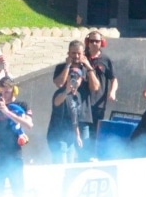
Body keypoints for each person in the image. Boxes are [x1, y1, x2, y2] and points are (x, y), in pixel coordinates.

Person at [0, 76, 33, 197]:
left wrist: (7, 112)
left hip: (14, 157)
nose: (4, 95)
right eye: (1, 92)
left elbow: (29, 125)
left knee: (18, 195)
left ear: (13, 91)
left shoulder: (21, 105)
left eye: (7, 92)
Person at [52, 40, 98, 150]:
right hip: (66, 118)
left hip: (83, 115)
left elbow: (95, 87)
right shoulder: (61, 67)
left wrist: (89, 67)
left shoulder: (88, 70)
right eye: (73, 53)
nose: (76, 56)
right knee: (66, 149)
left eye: (79, 53)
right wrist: (67, 66)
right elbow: (59, 83)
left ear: (83, 54)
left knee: (84, 150)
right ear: (68, 53)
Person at [83, 31, 118, 159]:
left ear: (101, 43)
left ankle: (91, 156)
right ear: (87, 42)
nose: (94, 44)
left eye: (97, 41)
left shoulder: (106, 60)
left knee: (94, 133)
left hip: (98, 103)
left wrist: (112, 91)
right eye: (91, 41)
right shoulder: (82, 57)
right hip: (83, 102)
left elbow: (114, 79)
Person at [47, 65, 85, 164]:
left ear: (81, 80)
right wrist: (66, 91)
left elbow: (75, 118)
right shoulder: (60, 92)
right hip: (58, 136)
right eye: (72, 76)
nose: (74, 80)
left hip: (70, 138)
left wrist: (78, 136)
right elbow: (56, 102)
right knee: (61, 164)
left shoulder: (78, 96)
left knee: (70, 166)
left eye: (77, 77)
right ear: (67, 78)